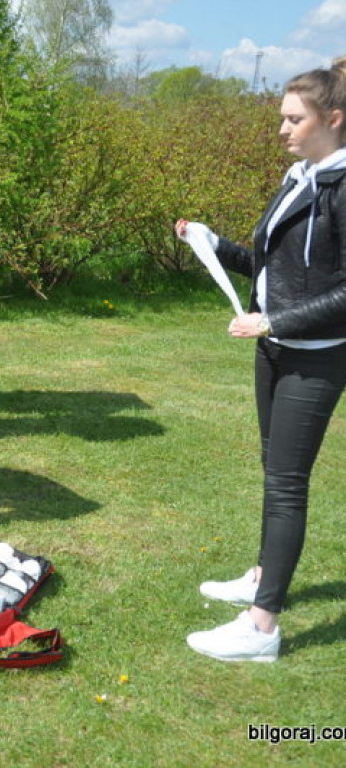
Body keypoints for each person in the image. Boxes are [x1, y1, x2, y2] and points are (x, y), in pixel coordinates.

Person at [177, 57, 346, 663]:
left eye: (294, 119)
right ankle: (264, 575)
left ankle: (263, 627)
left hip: (313, 359)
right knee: (273, 469)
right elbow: (276, 266)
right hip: (274, 351)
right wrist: (213, 243)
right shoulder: (299, 176)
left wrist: (273, 321)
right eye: (282, 117)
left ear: (334, 118)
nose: (282, 128)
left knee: (286, 485)